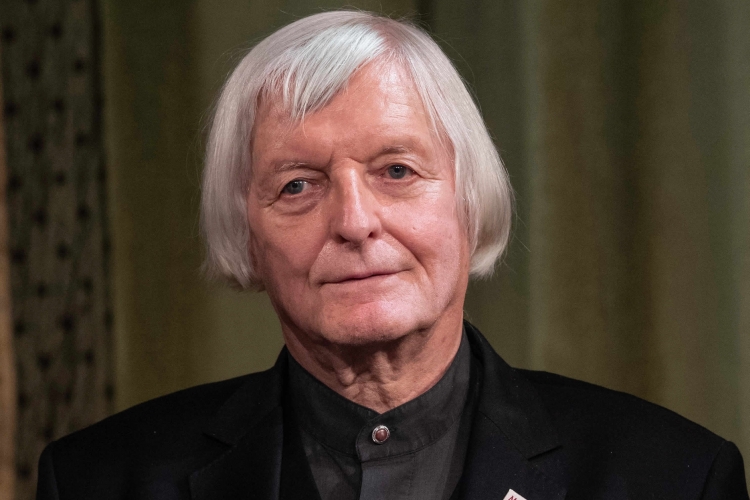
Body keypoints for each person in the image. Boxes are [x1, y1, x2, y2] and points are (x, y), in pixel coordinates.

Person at [37, 10, 748, 500]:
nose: (354, 222)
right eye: (297, 185)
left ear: (469, 201)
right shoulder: (100, 481)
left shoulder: (674, 478)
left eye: (397, 171)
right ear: (247, 233)